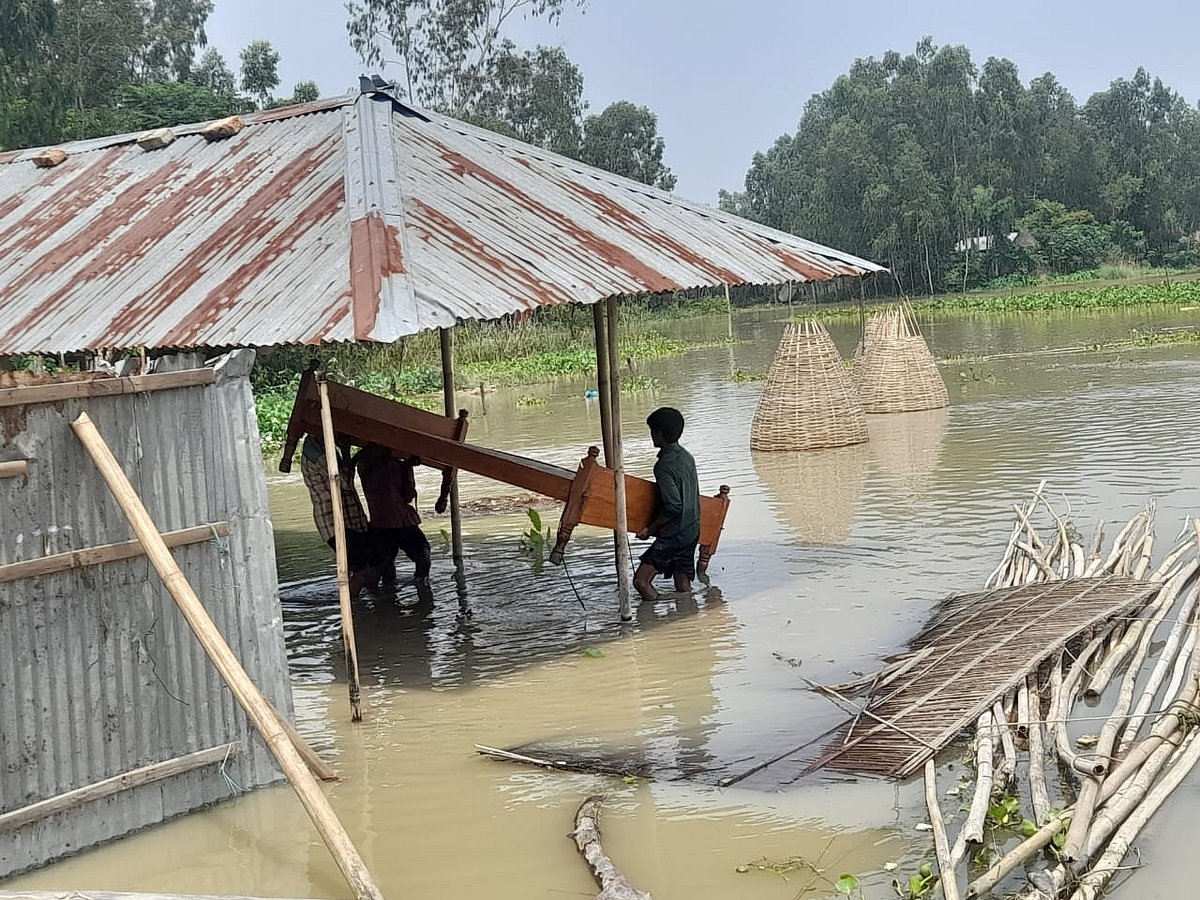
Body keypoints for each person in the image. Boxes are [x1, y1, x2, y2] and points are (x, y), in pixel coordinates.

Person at [299, 433, 386, 599]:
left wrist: (353, 456)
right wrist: (346, 452)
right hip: (336, 522)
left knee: (378, 559)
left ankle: (372, 602)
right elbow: (343, 481)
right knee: (361, 571)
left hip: (351, 519)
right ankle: (352, 607)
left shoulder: (322, 445)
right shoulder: (316, 452)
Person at [634, 407, 701, 602]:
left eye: (652, 432)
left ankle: (658, 620)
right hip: (692, 529)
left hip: (675, 534)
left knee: (641, 581)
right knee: (682, 583)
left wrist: (649, 529)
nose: (651, 436)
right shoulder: (687, 457)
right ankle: (687, 617)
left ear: (659, 435)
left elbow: (674, 506)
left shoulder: (663, 466)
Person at [354, 442, 432, 590]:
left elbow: (408, 495)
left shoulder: (397, 464)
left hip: (404, 522)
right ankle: (382, 599)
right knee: (385, 568)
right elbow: (373, 483)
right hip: (382, 525)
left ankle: (420, 589)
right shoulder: (365, 463)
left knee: (423, 557)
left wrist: (407, 468)